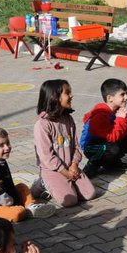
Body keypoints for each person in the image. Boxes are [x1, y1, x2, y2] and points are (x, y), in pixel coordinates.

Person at [33, 79, 97, 208]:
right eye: (67, 93)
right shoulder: (43, 124)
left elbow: (76, 146)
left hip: (70, 167)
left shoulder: (68, 118)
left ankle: (66, 183)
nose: (71, 95)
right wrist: (64, 172)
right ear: (54, 97)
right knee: (69, 201)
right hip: (53, 170)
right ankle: (43, 183)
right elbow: (47, 156)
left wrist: (74, 165)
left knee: (90, 194)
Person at [0, 125, 55, 222]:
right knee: (17, 213)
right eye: (1, 145)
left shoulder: (0, 159)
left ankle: (31, 206)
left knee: (22, 187)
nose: (7, 147)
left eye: (7, 143)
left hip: (9, 197)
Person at [79, 78, 127, 177]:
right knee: (113, 149)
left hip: (105, 143)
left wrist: (124, 118)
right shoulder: (100, 115)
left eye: (126, 93)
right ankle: (92, 165)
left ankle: (111, 163)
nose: (126, 97)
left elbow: (125, 131)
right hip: (91, 147)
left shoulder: (118, 110)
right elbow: (112, 137)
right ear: (110, 98)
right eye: (122, 94)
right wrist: (121, 119)